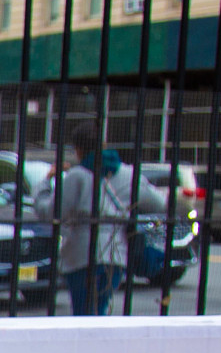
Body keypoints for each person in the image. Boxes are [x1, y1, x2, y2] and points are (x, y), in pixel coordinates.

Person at [38, 120, 166, 314]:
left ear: (78, 149)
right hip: (116, 252)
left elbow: (50, 212)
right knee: (100, 309)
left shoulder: (77, 176)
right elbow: (159, 203)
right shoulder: (129, 174)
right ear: (104, 144)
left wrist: (46, 182)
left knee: (83, 311)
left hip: (81, 253)